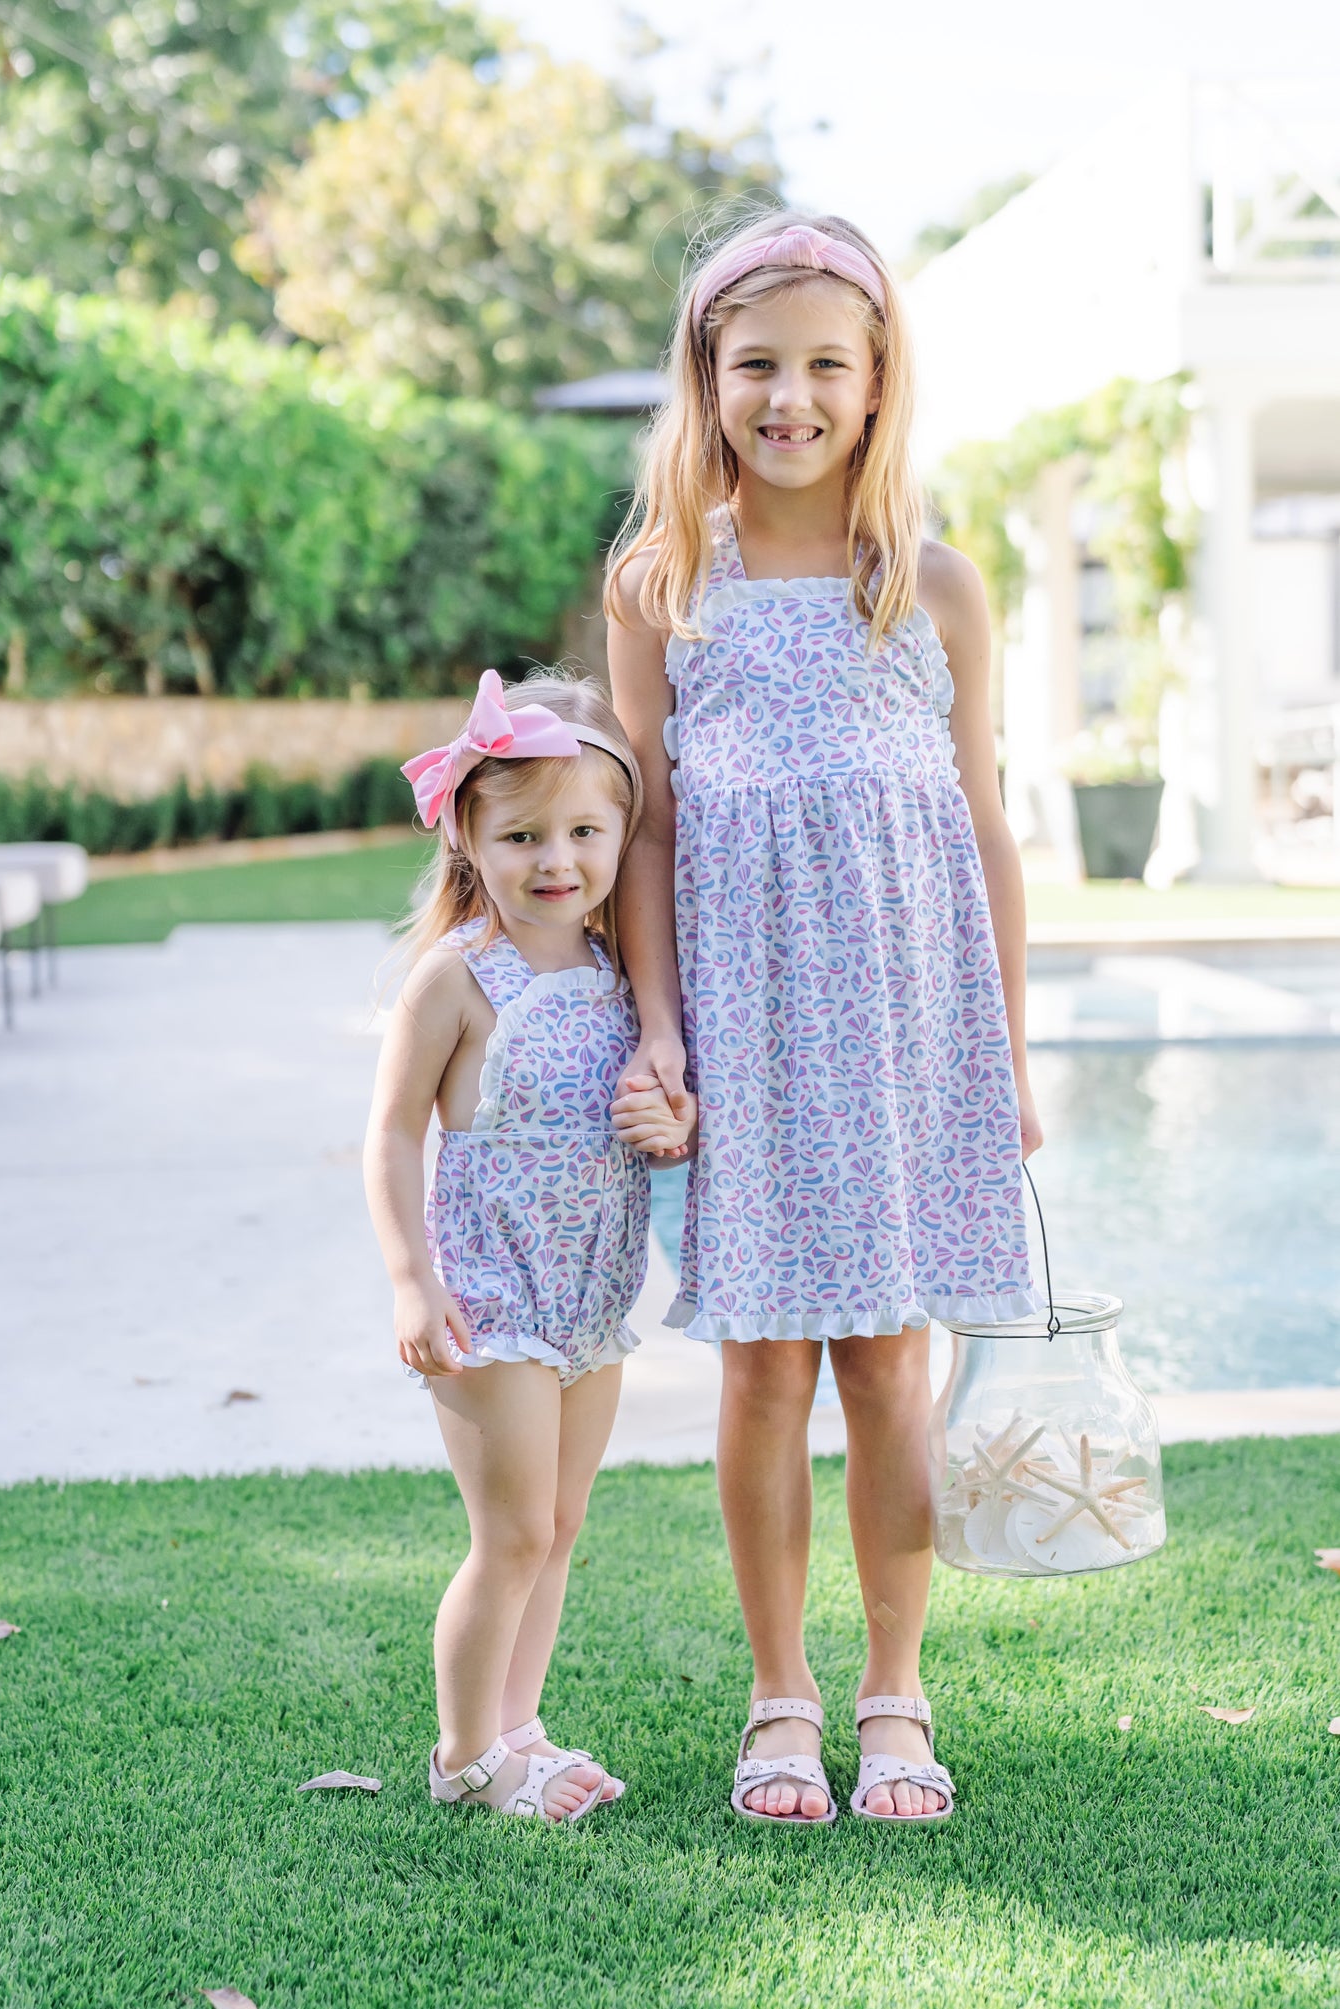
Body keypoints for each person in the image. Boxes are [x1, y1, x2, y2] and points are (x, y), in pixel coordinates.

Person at [606, 211, 1042, 1825]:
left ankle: (896, 1688)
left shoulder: (929, 583)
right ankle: (779, 1688)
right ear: (707, 377)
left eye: (824, 367)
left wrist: (1006, 1051)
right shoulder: (663, 581)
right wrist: (659, 1029)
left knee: (889, 1370)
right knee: (764, 1372)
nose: (789, 396)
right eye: (756, 364)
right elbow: (644, 818)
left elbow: (982, 823)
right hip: (748, 1022)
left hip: (906, 1030)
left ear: (875, 386)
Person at [363, 669, 696, 1824]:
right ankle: (464, 1754)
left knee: (559, 1526)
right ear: (468, 834)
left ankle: (521, 1725)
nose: (557, 857)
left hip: (590, 1300)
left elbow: (652, 1128)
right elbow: (393, 1135)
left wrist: (670, 1119)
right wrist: (414, 1280)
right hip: (492, 1297)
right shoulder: (456, 979)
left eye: (584, 831)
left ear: (621, 835)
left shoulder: (618, 977)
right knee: (507, 1532)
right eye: (522, 835)